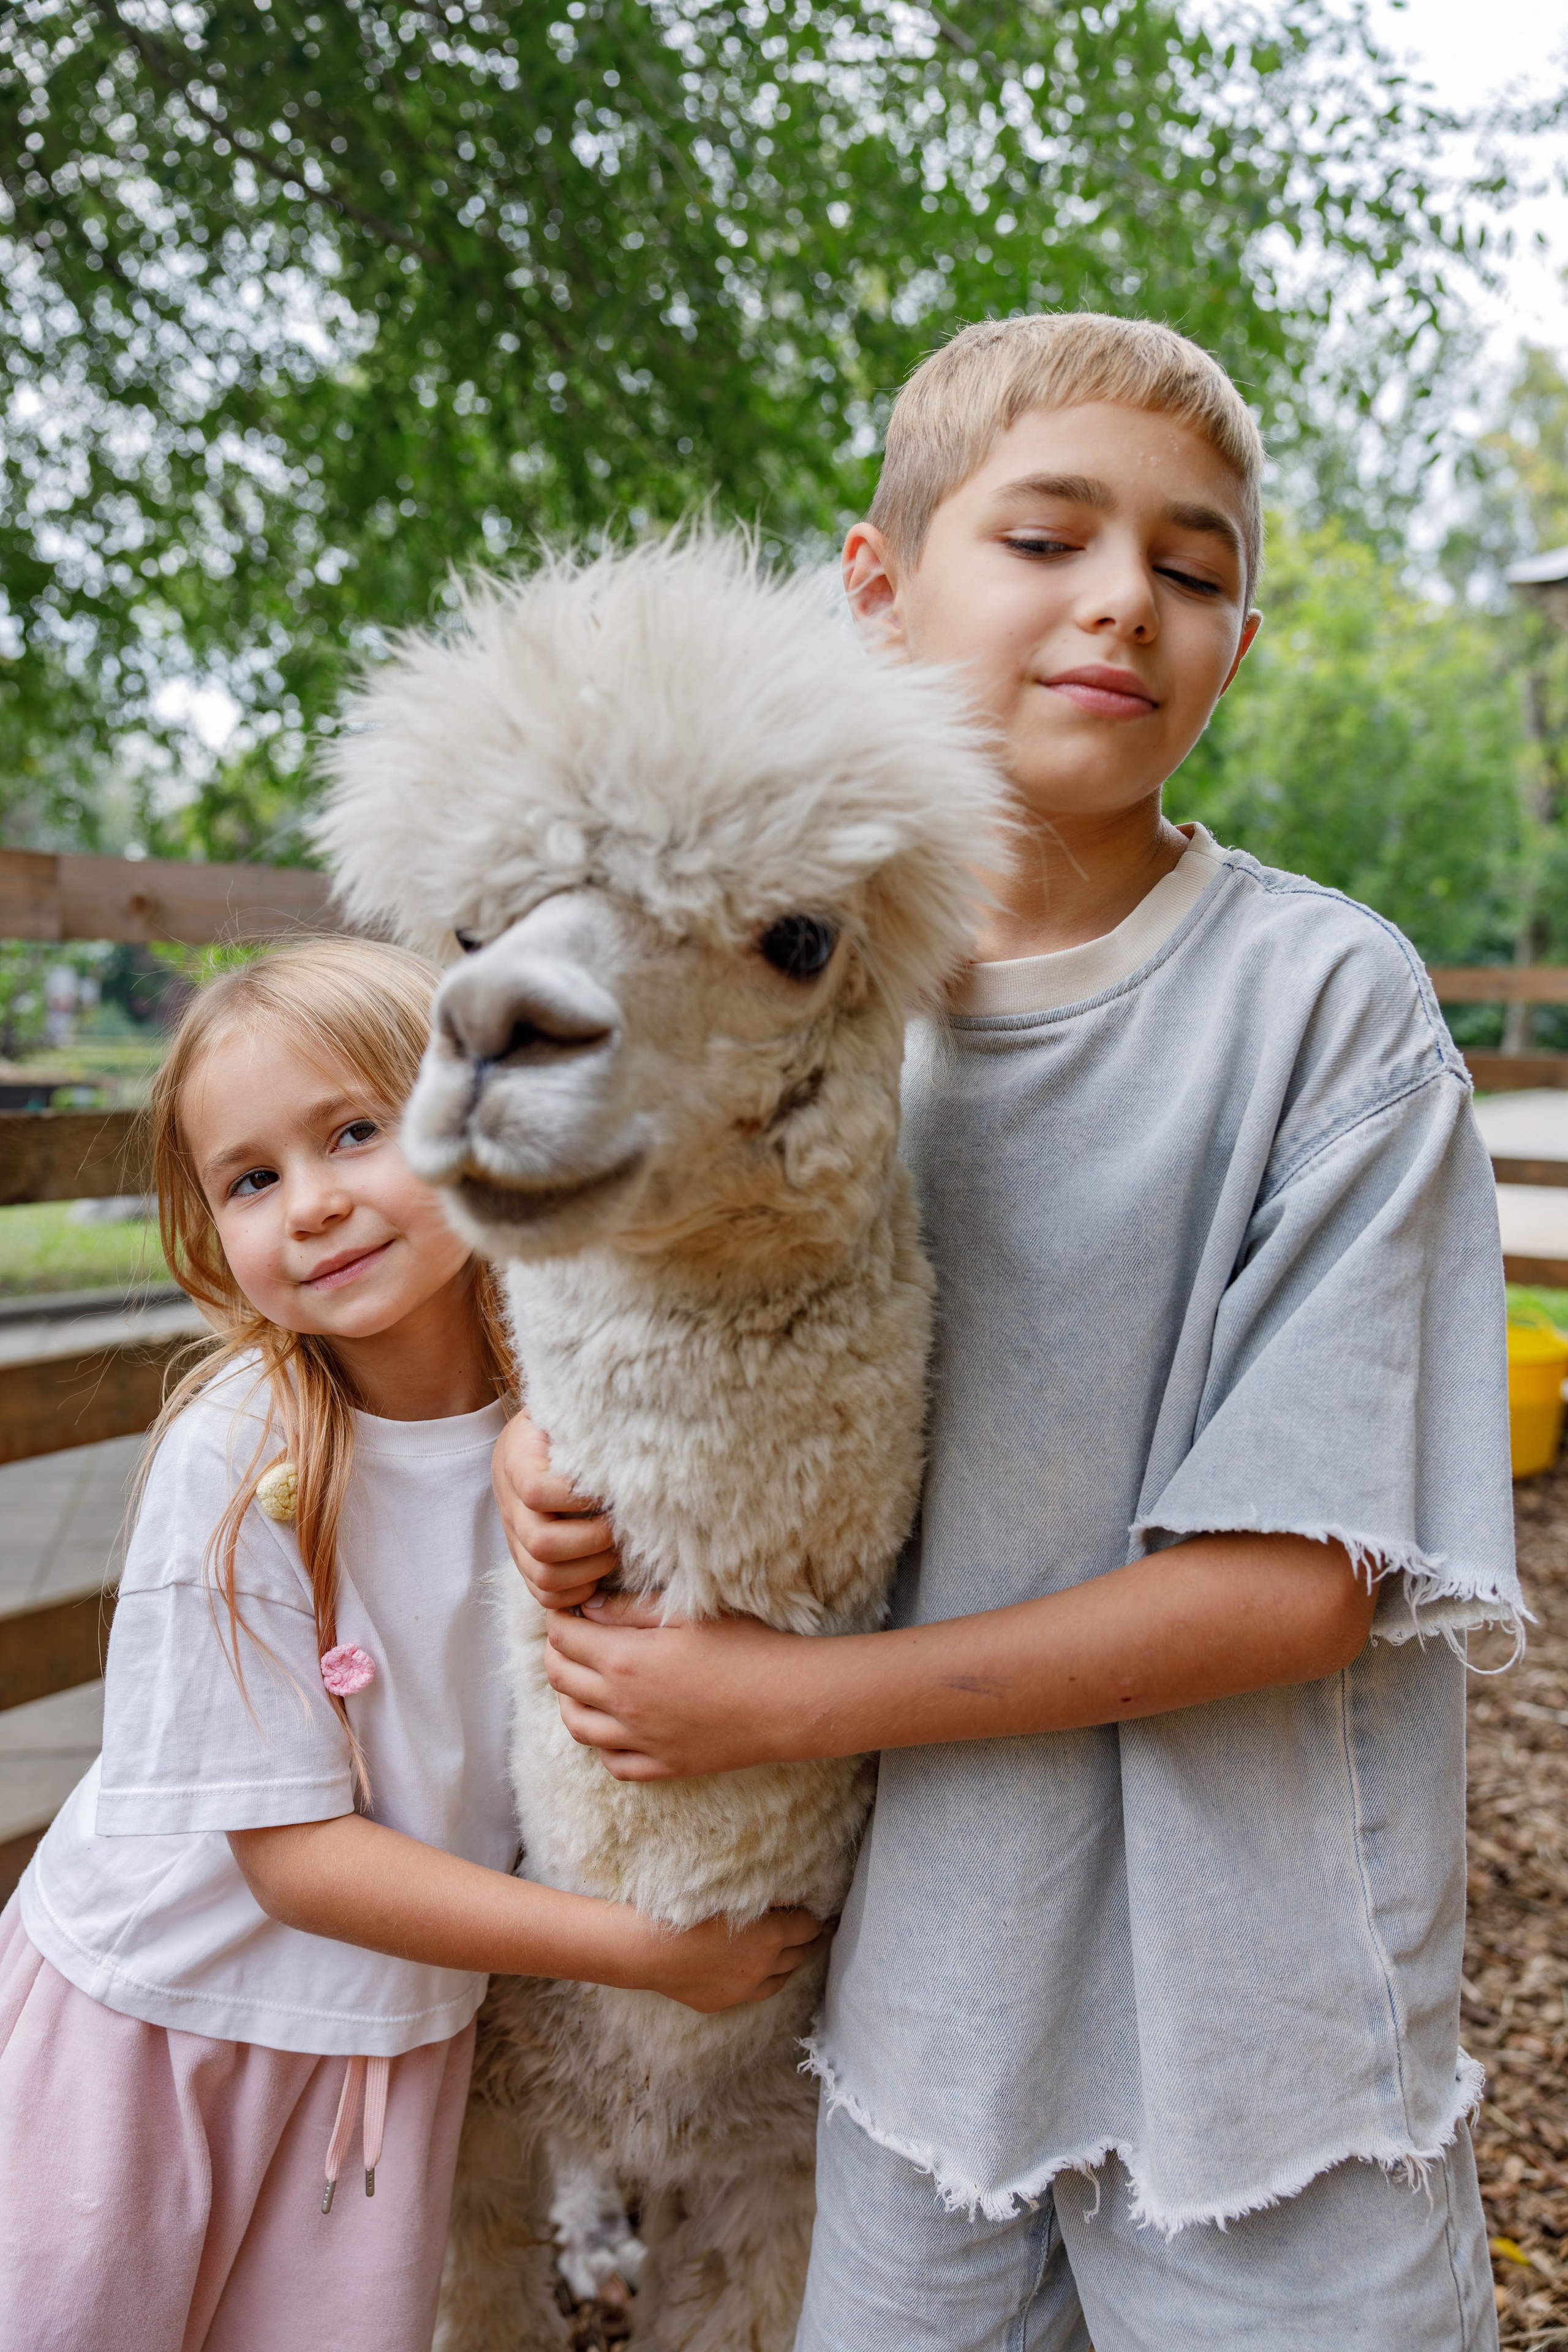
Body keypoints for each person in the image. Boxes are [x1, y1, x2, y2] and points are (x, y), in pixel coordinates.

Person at [493, 315, 1521, 2350]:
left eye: (1199, 567)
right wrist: (556, 1465)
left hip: (1254, 2036)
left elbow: (1295, 1593)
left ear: (1237, 634)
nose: (1128, 599)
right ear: (876, 587)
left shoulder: (1324, 1009)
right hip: (912, 2016)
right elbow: (637, 1313)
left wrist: (774, 1708)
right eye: (1048, 535)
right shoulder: (775, 998)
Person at [0, 938, 820, 2352]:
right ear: (210, 1236)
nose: (312, 1205)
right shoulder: (243, 1462)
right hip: (167, 2044)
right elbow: (293, 1857)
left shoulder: (572, 1431)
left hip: (386, 2047)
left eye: (355, 1133)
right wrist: (642, 1951)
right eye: (252, 1179)